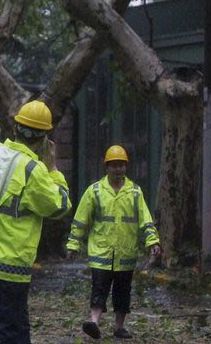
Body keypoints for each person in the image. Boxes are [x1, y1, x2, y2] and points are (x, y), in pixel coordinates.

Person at [0, 101, 72, 344]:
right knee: (1, 327)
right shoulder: (33, 170)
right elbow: (60, 205)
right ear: (43, 138)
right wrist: (53, 168)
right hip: (13, 263)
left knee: (13, 322)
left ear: (15, 129)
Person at [65, 145, 162, 340]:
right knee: (99, 288)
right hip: (101, 252)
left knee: (122, 292)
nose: (117, 169)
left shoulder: (135, 193)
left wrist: (153, 241)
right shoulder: (95, 192)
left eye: (121, 165)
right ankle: (93, 322)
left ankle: (119, 327)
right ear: (106, 167)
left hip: (126, 253)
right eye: (114, 166)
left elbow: (145, 219)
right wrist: (73, 245)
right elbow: (81, 220)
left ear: (126, 167)